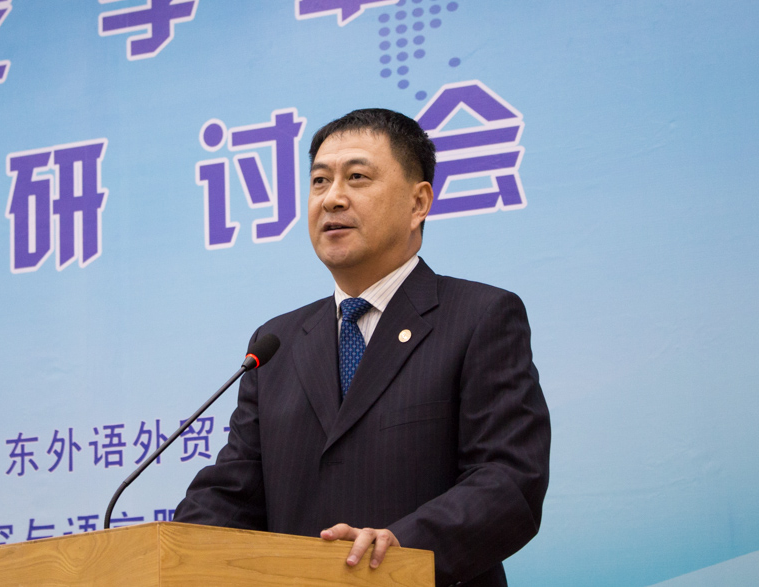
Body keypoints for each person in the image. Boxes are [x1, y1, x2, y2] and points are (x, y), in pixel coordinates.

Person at [174, 108, 551, 587]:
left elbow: (508, 481)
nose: (332, 198)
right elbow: (232, 494)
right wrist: (165, 549)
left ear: (418, 203)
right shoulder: (277, 343)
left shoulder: (479, 317)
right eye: (319, 181)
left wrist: (400, 546)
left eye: (356, 178)